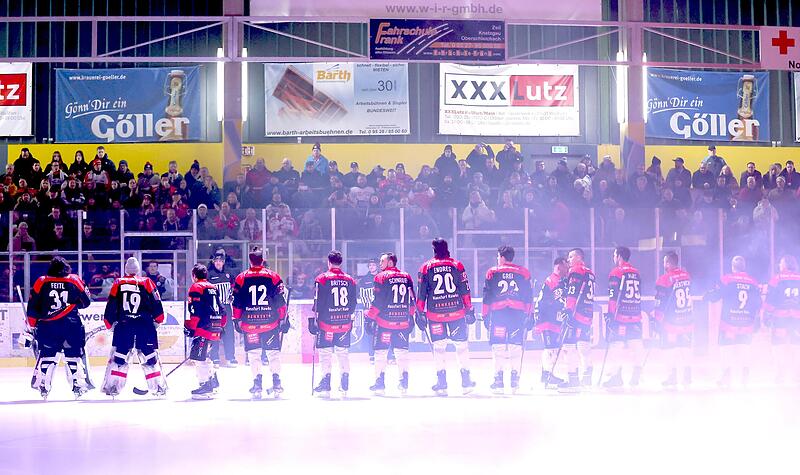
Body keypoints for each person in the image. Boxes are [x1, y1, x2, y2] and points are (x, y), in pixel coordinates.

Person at [415, 238, 476, 396]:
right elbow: (465, 289)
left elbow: (422, 293)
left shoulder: (426, 267)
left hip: (435, 314)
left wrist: (419, 311)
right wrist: (469, 308)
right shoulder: (457, 265)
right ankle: (466, 382)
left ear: (434, 249)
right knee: (461, 346)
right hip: (456, 312)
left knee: (439, 348)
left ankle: (442, 383)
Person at [26, 257, 92, 399]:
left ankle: (44, 384)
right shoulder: (74, 279)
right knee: (73, 355)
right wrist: (73, 306)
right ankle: (77, 385)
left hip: (48, 325)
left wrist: (31, 325)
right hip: (71, 324)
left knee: (48, 355)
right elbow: (87, 301)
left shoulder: (42, 281)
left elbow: (32, 307)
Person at [101, 257, 167, 397]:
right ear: (138, 270)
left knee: (120, 357)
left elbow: (111, 303)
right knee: (150, 357)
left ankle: (113, 387)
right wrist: (159, 319)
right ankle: (158, 387)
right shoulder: (147, 282)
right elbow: (157, 302)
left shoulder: (118, 282)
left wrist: (109, 322)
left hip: (124, 326)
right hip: (145, 327)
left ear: (126, 269)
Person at [232, 247, 289, 399]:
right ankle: (276, 382)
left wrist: (236, 319)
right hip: (270, 323)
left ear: (250, 260)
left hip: (250, 324)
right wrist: (284, 318)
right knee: (273, 353)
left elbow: (236, 303)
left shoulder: (241, 278)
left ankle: (257, 382)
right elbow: (280, 302)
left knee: (254, 354)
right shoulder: (274, 277)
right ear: (262, 260)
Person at [482, 245, 533, 394]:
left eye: (498, 256)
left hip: (499, 314)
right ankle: (514, 379)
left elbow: (487, 296)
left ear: (502, 257)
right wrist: (530, 315)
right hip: (517, 314)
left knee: (498, 347)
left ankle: (498, 381)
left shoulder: (492, 272)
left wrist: (485, 315)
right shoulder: (523, 272)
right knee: (515, 346)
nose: (498, 259)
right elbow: (528, 296)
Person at [706, 256, 761, 388]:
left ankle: (726, 377)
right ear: (744, 267)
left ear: (732, 267)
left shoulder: (727, 279)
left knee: (726, 349)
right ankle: (745, 377)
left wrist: (706, 296)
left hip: (729, 322)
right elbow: (758, 302)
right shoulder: (753, 282)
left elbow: (715, 295)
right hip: (746, 322)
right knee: (744, 349)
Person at [365, 252, 415, 395]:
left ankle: (379, 384)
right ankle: (403, 382)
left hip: (384, 323)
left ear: (390, 262)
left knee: (380, 353)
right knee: (402, 353)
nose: (380, 264)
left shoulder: (380, 277)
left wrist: (369, 318)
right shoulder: (406, 276)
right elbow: (412, 299)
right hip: (402, 322)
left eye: (382, 262)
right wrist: (411, 316)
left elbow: (377, 302)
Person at [310, 250, 358, 397]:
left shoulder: (322, 279)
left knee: (325, 354)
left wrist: (316, 319)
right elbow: (353, 302)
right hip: (344, 323)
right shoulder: (350, 280)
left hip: (327, 323)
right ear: (341, 262)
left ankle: (326, 382)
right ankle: (345, 381)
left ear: (328, 262)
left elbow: (318, 302)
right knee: (342, 353)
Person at [601, 246, 644, 389]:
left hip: (621, 316)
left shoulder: (616, 272)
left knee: (616, 346)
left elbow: (613, 297)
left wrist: (610, 316)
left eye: (614, 255)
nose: (613, 258)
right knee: (636, 344)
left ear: (619, 256)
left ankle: (616, 377)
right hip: (635, 314)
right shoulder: (636, 272)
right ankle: (636, 375)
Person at [185, 264, 227, 399]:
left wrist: (191, 328)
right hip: (215, 326)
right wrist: (221, 325)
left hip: (203, 328)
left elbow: (195, 311)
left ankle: (205, 386)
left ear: (194, 276)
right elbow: (222, 309)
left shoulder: (196, 287)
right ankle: (213, 381)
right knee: (206, 356)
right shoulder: (213, 287)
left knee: (199, 358)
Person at [653, 251, 693, 389]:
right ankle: (687, 375)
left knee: (669, 348)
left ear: (668, 263)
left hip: (671, 322)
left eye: (665, 262)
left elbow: (660, 301)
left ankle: (672, 376)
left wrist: (657, 320)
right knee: (685, 347)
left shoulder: (664, 279)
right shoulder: (686, 276)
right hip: (687, 318)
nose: (664, 264)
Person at [558, 248, 596, 392]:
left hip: (576, 314)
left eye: (571, 256)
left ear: (579, 257)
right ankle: (587, 377)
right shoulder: (590, 273)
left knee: (568, 347)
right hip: (588, 313)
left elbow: (573, 293)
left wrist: (568, 310)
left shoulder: (575, 271)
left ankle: (572, 380)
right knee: (584, 346)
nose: (569, 259)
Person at [762, 255, 800, 384]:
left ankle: (780, 375)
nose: (779, 265)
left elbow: (770, 300)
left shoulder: (776, 279)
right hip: (797, 319)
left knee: (778, 346)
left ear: (784, 265)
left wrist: (766, 314)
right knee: (797, 346)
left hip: (780, 319)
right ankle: (797, 375)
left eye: (780, 263)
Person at [535, 257, 569, 387]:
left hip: (556, 320)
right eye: (565, 266)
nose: (567, 269)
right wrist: (538, 317)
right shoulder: (551, 281)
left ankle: (548, 375)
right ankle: (546, 376)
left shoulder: (564, 282)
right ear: (559, 266)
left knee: (554, 348)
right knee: (550, 348)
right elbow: (542, 301)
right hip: (547, 319)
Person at [208, 250, 237, 368]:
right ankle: (214, 358)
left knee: (229, 333)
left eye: (221, 261)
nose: (218, 263)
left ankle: (230, 357)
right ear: (213, 261)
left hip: (226, 308)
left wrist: (232, 296)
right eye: (216, 261)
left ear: (224, 262)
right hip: (214, 309)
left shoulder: (229, 274)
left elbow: (234, 288)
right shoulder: (209, 274)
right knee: (215, 333)